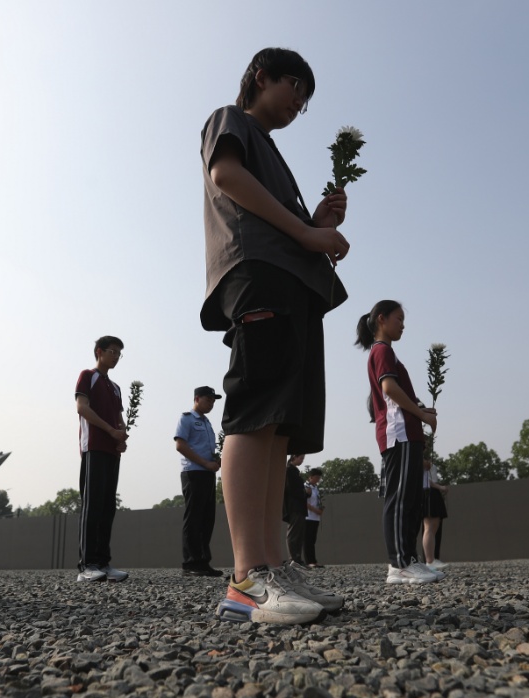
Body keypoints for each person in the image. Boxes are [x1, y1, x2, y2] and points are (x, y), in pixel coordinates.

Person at [201, 47, 349, 625]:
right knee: (255, 411)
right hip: (257, 273)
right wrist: (307, 235)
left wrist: (316, 223)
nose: (298, 103)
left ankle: (274, 566)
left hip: (288, 280)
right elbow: (227, 176)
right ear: (260, 77)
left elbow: (278, 219)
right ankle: (246, 578)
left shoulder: (272, 149)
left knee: (278, 428)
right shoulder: (230, 120)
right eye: (294, 87)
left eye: (305, 100)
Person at [356, 300, 440, 586]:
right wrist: (422, 414)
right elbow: (389, 388)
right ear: (382, 319)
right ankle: (399, 563)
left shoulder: (387, 352)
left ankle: (409, 559)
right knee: (400, 498)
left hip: (408, 434)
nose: (403, 325)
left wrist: (419, 414)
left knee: (412, 500)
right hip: (398, 433)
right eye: (399, 318)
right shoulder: (381, 351)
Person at [74, 336, 130, 583]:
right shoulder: (88, 376)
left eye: (119, 353)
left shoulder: (115, 387)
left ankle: (104, 563)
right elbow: (82, 408)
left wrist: (121, 436)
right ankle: (87, 565)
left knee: (108, 506)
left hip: (112, 451)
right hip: (94, 447)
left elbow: (119, 418)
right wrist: (109, 430)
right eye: (112, 351)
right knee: (92, 505)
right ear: (99, 351)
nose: (116, 356)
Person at [174, 386, 224, 577]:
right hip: (193, 473)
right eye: (208, 399)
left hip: (207, 473)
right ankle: (191, 563)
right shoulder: (187, 418)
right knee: (194, 518)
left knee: (207, 518)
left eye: (213, 401)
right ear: (197, 399)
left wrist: (216, 462)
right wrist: (204, 463)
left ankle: (203, 562)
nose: (211, 403)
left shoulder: (207, 422)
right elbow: (180, 445)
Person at [421, 459, 449, 573]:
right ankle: (430, 560)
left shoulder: (423, 459)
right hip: (429, 492)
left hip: (431, 492)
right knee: (430, 527)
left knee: (433, 527)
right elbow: (426, 479)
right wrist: (440, 487)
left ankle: (432, 559)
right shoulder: (418, 459)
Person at [283, 454, 308, 565]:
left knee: (299, 533)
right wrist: (304, 492)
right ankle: (293, 559)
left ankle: (297, 558)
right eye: (301, 458)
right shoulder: (289, 471)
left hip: (299, 506)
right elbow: (291, 489)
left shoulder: (294, 471)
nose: (302, 460)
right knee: (293, 533)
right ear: (294, 457)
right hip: (294, 506)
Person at [304, 467, 325, 568]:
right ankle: (309, 561)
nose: (318, 479)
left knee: (312, 540)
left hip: (315, 517)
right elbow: (304, 502)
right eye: (316, 477)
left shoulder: (316, 488)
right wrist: (315, 510)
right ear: (310, 477)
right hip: (308, 516)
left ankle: (313, 560)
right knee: (307, 540)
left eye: (319, 477)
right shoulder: (305, 486)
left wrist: (320, 509)